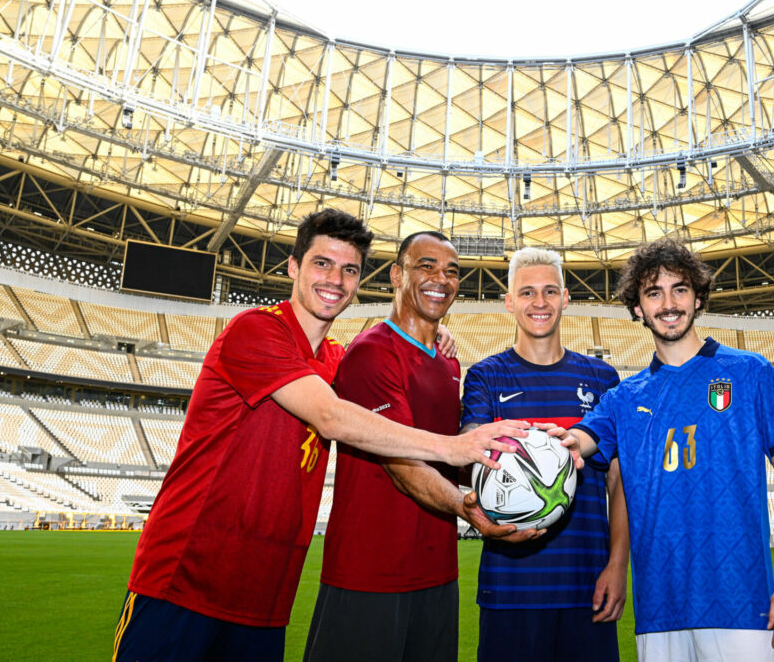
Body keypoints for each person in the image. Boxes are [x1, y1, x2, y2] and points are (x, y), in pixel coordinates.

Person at [113, 212, 527, 662]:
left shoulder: (336, 358)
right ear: (293, 267)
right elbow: (331, 417)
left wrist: (431, 331)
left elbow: (381, 355)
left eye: (349, 270)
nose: (335, 279)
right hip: (184, 578)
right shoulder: (255, 330)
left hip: (265, 598)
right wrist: (451, 446)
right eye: (321, 264)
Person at [560, 238, 774, 661]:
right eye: (653, 292)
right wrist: (527, 445)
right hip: (660, 613)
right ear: (638, 308)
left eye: (680, 289)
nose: (669, 303)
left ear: (698, 298)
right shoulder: (625, 397)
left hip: (745, 606)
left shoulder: (749, 372)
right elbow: (575, 442)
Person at [303, 232, 540, 662]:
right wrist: (471, 508)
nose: (441, 278)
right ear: (397, 275)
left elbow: (452, 454)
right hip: (369, 573)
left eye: (451, 271)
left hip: (436, 574)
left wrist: (524, 466)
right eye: (425, 266)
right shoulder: (371, 354)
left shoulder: (448, 360)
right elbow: (403, 464)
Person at [460, 247, 630, 662]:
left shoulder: (602, 377)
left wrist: (618, 565)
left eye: (550, 292)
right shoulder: (486, 375)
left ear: (566, 298)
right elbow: (469, 451)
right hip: (510, 587)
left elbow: (618, 480)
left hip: (587, 585)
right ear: (510, 302)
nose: (540, 303)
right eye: (528, 292)